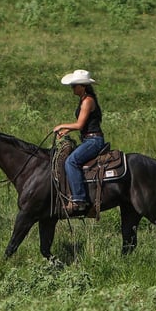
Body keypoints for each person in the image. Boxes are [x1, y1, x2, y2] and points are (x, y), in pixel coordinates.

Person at [53, 69, 106, 215]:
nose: (72, 88)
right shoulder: (84, 99)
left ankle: (78, 199)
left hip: (94, 140)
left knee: (71, 161)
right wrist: (67, 131)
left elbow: (80, 125)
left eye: (74, 85)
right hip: (89, 139)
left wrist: (62, 126)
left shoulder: (88, 101)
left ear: (82, 86)